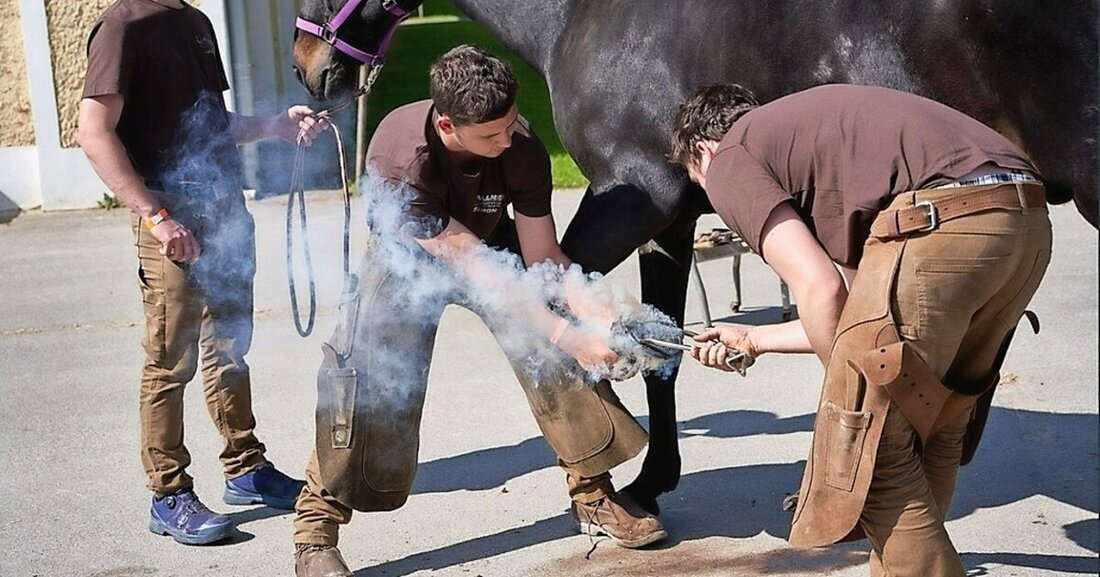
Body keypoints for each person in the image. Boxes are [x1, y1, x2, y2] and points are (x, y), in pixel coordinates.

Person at [292, 45, 665, 577]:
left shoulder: (520, 145)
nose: (507, 140)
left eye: (511, 125)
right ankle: (315, 529)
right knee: (367, 379)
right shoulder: (401, 158)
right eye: (492, 135)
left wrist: (599, 317)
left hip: (488, 241)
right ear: (447, 124)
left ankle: (592, 495)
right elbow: (477, 269)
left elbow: (542, 258)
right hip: (408, 257)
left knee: (552, 347)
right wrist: (569, 336)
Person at [669, 83, 1052, 576]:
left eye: (698, 182)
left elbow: (821, 288)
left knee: (871, 455)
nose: (712, 194)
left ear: (703, 150)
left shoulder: (729, 157)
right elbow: (857, 313)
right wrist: (755, 339)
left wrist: (853, 405)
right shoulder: (818, 142)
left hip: (943, 225)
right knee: (937, 425)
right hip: (1024, 221)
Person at [77, 0, 328, 546]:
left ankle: (245, 468)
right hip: (171, 214)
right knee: (170, 361)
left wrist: (274, 126)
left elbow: (212, 123)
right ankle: (168, 493)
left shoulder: (195, 21)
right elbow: (93, 132)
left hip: (225, 209)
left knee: (231, 347)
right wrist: (156, 216)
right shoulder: (123, 26)